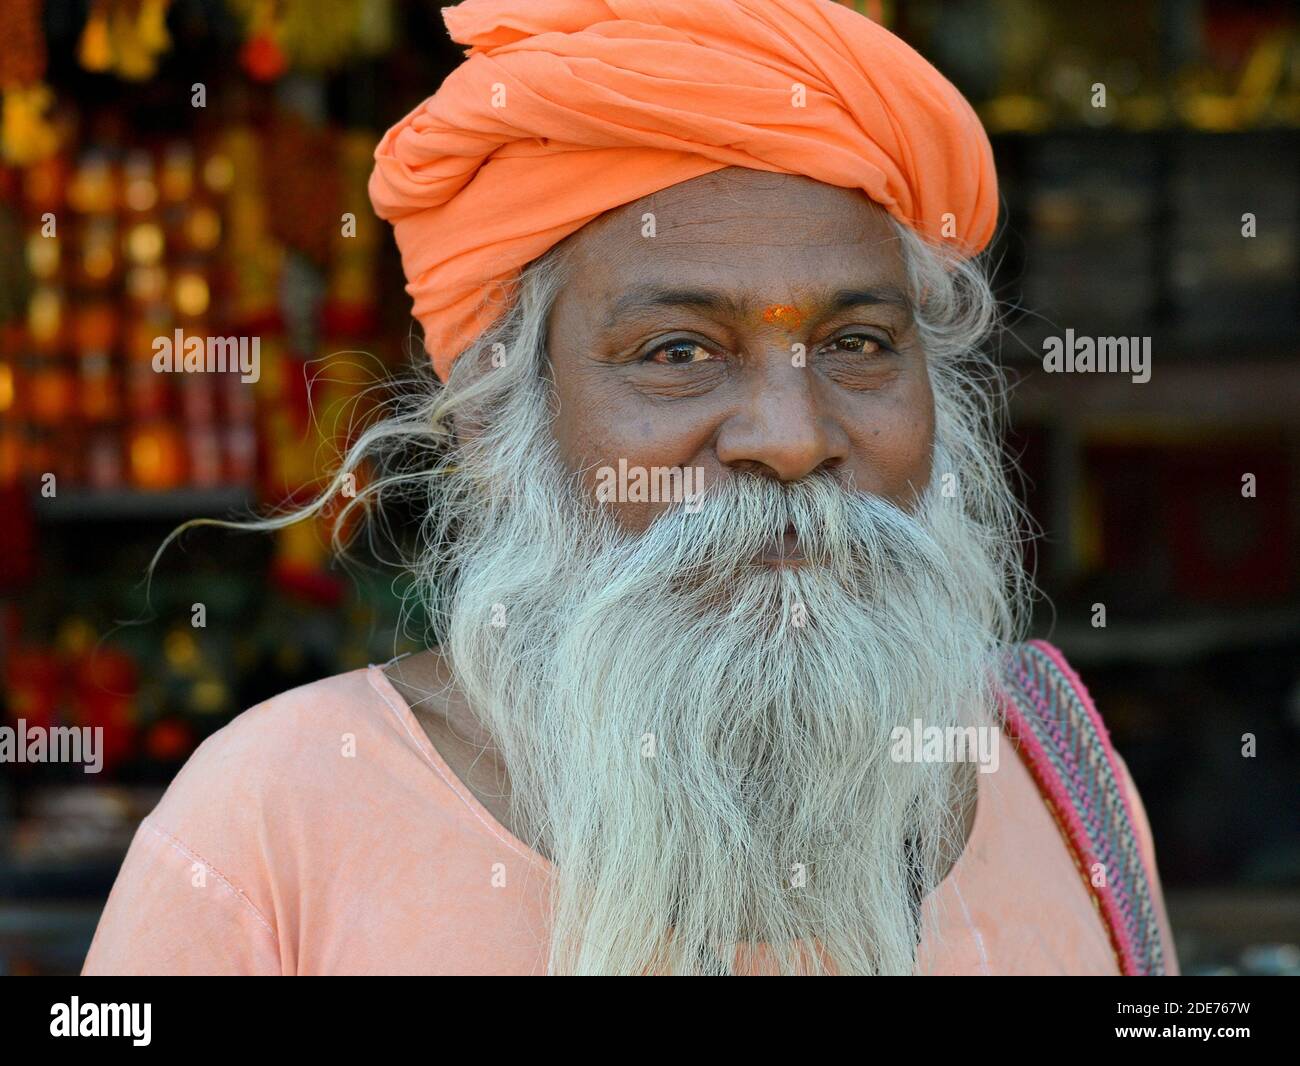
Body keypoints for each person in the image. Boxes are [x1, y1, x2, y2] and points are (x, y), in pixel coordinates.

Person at [83, 0, 1178, 976]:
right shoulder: (276, 825)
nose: (790, 439)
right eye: (677, 352)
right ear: (492, 416)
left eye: (855, 342)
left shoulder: (1061, 788)